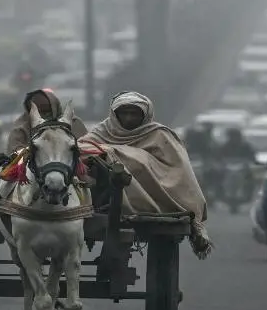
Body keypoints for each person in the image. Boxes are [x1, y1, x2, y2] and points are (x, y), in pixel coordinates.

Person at [85, 92, 212, 258]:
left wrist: (130, 160)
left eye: (134, 114)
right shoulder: (102, 131)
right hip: (101, 197)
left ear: (145, 115)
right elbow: (82, 149)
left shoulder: (160, 136)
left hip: (152, 199)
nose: (129, 118)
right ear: (115, 115)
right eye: (124, 113)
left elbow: (179, 172)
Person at [6, 89, 83, 154]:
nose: (40, 117)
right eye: (36, 111)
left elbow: (85, 149)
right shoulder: (21, 128)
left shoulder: (72, 122)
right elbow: (15, 153)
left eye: (46, 111)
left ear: (54, 107)